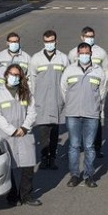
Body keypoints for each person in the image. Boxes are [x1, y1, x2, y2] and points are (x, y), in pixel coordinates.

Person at [0, 64, 41, 206]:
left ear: (21, 77)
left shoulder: (26, 92)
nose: (14, 77)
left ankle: (26, 195)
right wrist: (11, 130)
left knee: (28, 165)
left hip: (25, 133)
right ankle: (12, 196)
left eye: (17, 75)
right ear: (6, 75)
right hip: (7, 134)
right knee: (9, 166)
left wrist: (24, 127)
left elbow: (32, 112)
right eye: (12, 74)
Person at [61, 42, 107, 188]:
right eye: (82, 53)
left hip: (91, 114)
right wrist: (71, 104)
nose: (84, 55)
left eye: (87, 53)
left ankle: (89, 175)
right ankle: (74, 175)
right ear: (78, 54)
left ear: (91, 54)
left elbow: (102, 92)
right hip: (73, 113)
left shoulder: (98, 71)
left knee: (89, 146)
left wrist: (94, 106)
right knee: (74, 146)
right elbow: (63, 90)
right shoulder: (69, 70)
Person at [28, 30, 70, 170]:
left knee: (54, 131)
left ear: (56, 41)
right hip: (42, 101)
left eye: (51, 41)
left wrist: (65, 98)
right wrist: (34, 97)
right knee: (43, 132)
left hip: (58, 100)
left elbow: (67, 80)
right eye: (47, 41)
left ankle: (52, 158)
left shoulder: (63, 58)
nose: (49, 44)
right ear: (43, 41)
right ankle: (44, 158)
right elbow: (32, 80)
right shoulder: (36, 59)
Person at [67, 26, 108, 157]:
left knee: (96, 120)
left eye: (91, 36)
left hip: (94, 90)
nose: (89, 39)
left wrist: (100, 94)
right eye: (87, 36)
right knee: (77, 121)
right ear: (81, 37)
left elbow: (106, 72)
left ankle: (97, 148)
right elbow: (69, 73)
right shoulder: (73, 53)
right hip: (78, 90)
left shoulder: (101, 52)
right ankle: (78, 145)